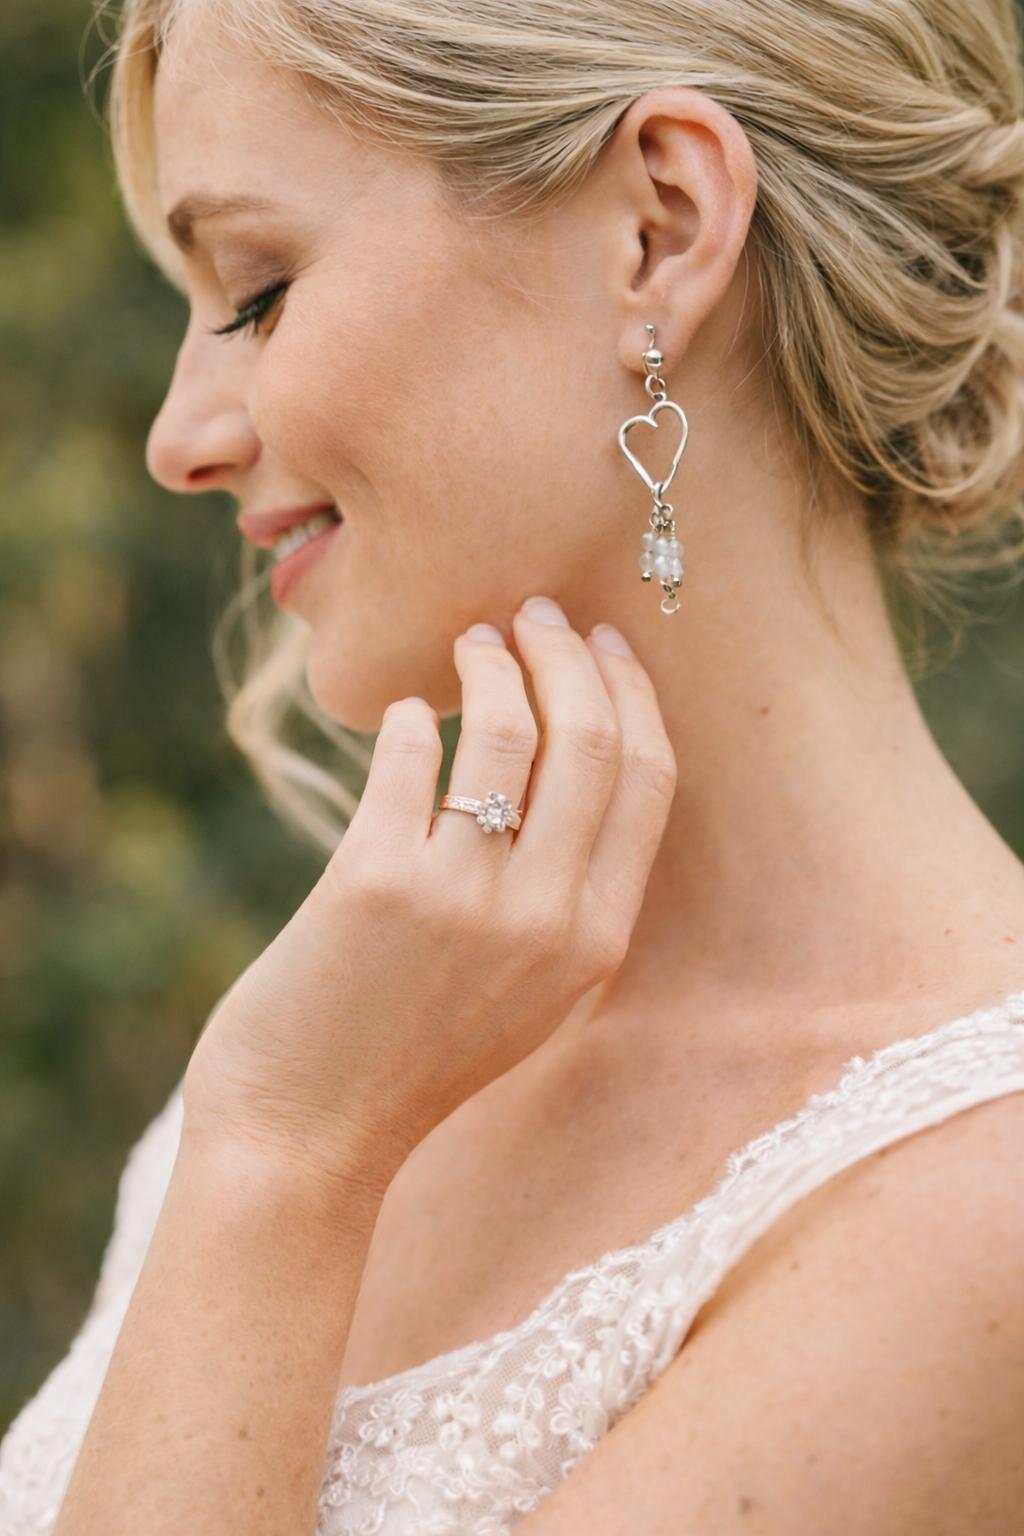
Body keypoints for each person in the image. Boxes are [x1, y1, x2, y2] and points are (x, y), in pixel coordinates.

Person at [3, 0, 1024, 1530]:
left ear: (662, 232)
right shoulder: (363, 1030)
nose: (181, 436)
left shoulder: (979, 1218)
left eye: (261, 292)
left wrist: (286, 1168)